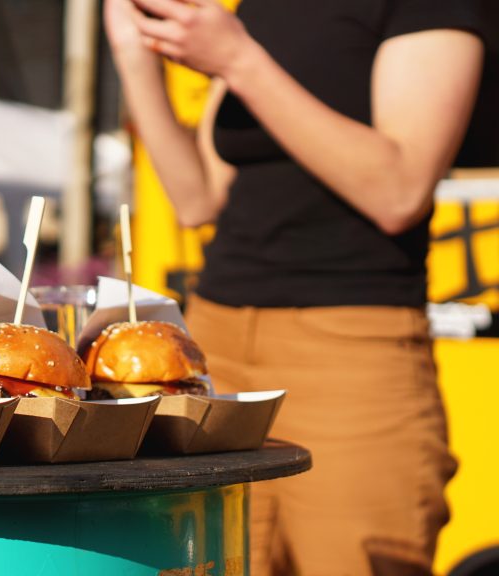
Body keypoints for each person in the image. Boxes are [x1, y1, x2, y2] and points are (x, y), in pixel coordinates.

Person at [106, 0, 483, 574]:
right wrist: (134, 55)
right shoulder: (260, 9)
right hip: (217, 343)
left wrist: (238, 59)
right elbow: (198, 197)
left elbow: (400, 191)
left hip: (350, 355)